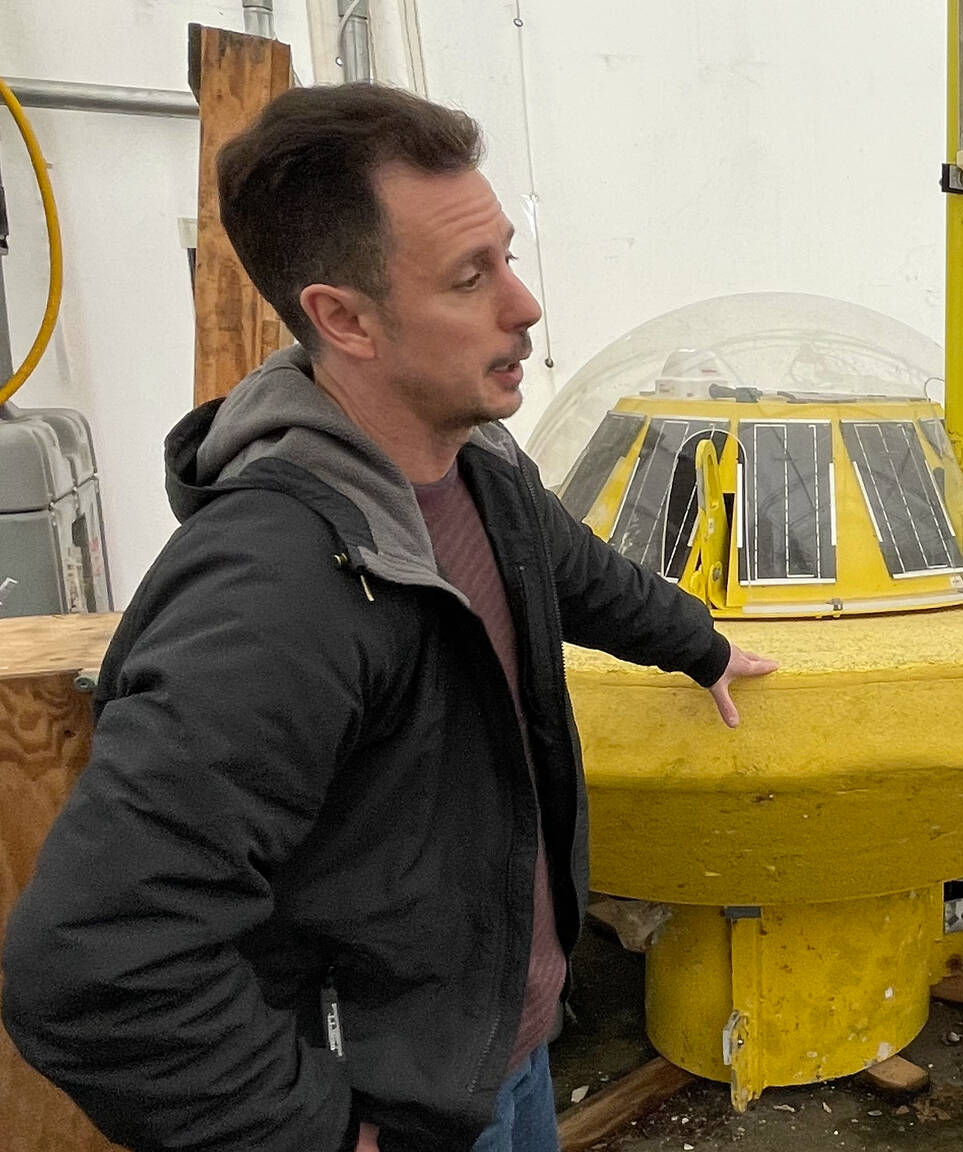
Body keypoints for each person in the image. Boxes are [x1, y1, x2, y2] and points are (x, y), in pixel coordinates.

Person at [1, 82, 776, 1152]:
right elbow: (91, 963)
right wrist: (322, 1134)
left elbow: (569, 569)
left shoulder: (473, 466)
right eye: (471, 277)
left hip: (493, 1056)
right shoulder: (272, 594)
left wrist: (700, 645)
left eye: (507, 254)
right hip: (395, 1110)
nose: (525, 305)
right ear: (342, 318)